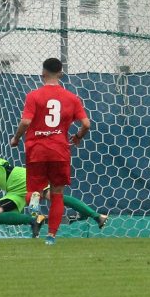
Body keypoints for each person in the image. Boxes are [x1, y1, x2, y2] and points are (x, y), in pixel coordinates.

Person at [11, 57, 91, 245]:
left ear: (43, 73)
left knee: (33, 190)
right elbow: (86, 124)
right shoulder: (72, 98)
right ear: (61, 74)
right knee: (57, 194)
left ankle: (35, 208)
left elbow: (26, 121)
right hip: (59, 151)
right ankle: (51, 236)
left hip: (37, 150)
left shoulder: (34, 96)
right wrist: (78, 136)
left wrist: (16, 138)